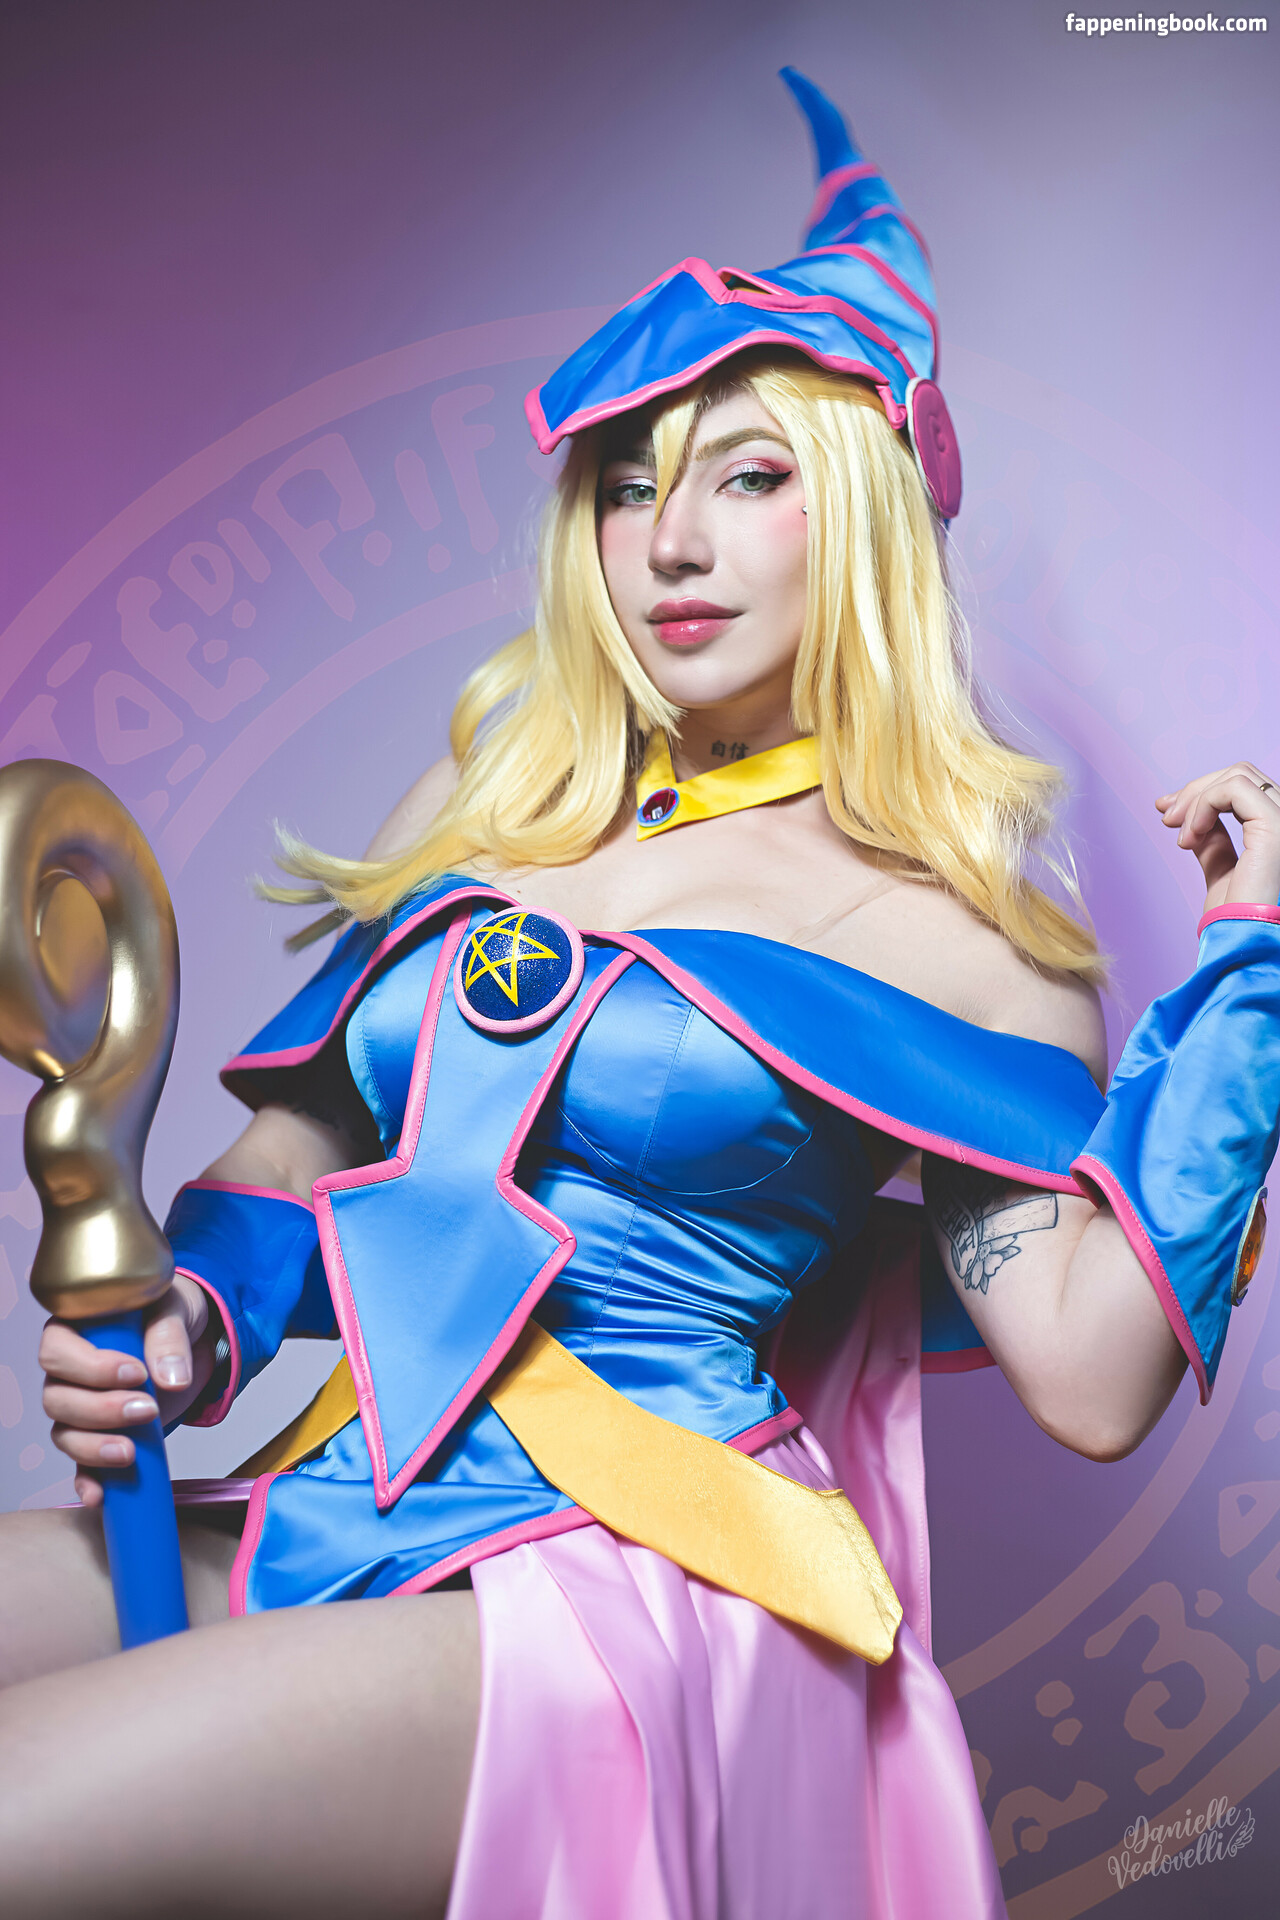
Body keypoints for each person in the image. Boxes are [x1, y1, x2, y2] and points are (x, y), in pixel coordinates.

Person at [2, 69, 1277, 1920]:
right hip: (342, 1485)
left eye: (750, 478)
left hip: (631, 1577)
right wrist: (191, 1321)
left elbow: (1092, 1377)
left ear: (861, 513)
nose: (671, 543)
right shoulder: (499, 806)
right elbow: (301, 1160)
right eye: (628, 488)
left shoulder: (957, 935)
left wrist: (1248, 979)